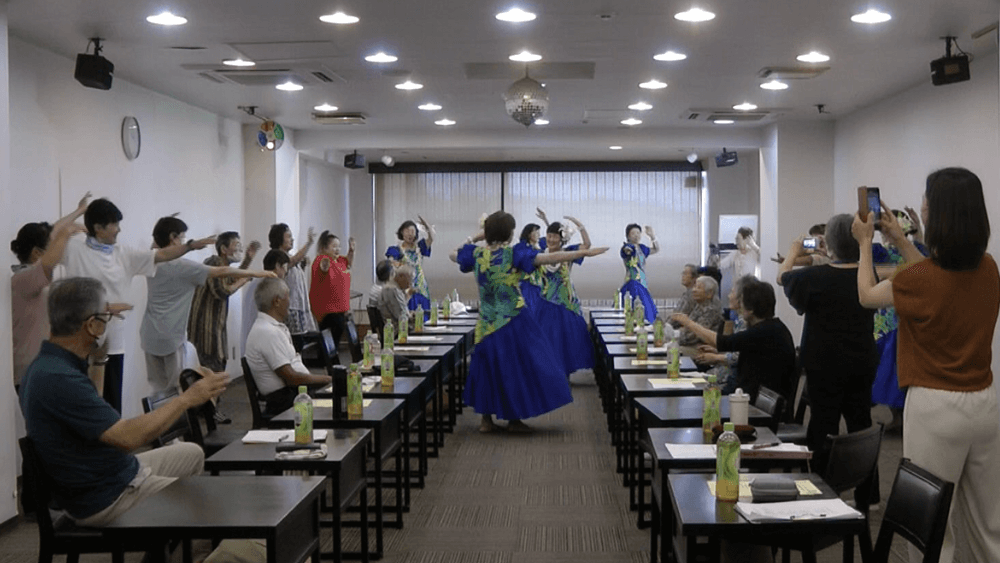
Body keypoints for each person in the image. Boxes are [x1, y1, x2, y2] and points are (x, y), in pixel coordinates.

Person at [853, 168, 1000, 563]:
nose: (921, 206)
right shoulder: (989, 268)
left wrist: (866, 244)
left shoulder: (917, 279)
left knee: (930, 525)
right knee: (987, 525)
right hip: (986, 405)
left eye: (927, 202)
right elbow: (939, 279)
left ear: (939, 216)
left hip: (936, 408)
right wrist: (901, 240)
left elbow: (867, 295)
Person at [19, 277, 228, 526]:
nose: (108, 322)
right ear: (92, 326)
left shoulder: (48, 365)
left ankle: (164, 542)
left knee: (191, 453)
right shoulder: (59, 378)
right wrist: (187, 399)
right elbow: (128, 438)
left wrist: (98, 358)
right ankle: (182, 544)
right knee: (208, 502)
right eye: (105, 315)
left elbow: (97, 414)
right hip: (106, 495)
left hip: (107, 471)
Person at [450, 211, 608, 433]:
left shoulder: (475, 254)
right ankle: (513, 418)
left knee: (488, 366)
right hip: (513, 319)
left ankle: (486, 420)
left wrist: (474, 238)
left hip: (486, 322)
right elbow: (546, 259)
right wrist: (583, 254)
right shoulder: (512, 254)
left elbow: (452, 254)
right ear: (508, 233)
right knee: (516, 367)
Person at [60, 198, 213, 413]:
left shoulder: (123, 253)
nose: (119, 230)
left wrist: (188, 247)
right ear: (98, 227)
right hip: (78, 343)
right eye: (114, 225)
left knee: (111, 407)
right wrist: (78, 212)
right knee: (81, 406)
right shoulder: (74, 247)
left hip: (112, 343)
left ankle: (115, 446)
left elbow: (160, 255)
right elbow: (50, 237)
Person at [777, 213, 876, 475]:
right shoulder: (870, 276)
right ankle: (869, 495)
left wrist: (792, 251)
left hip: (824, 365)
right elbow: (917, 268)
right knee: (862, 427)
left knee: (821, 426)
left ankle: (820, 484)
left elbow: (782, 276)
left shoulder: (812, 277)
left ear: (828, 244)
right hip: (862, 362)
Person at [141, 216, 274, 393]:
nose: (183, 241)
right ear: (173, 238)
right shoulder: (184, 267)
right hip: (172, 335)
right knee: (176, 389)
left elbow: (226, 274)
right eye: (182, 237)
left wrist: (165, 233)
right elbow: (223, 273)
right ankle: (177, 420)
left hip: (149, 334)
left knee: (157, 388)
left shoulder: (151, 261)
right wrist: (257, 273)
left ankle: (160, 419)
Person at [10, 191, 90, 389]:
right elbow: (49, 260)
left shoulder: (29, 277)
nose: (59, 250)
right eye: (52, 246)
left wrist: (79, 211)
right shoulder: (23, 280)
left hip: (44, 366)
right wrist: (67, 232)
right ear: (37, 252)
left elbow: (52, 233)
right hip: (30, 371)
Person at [673, 278, 796, 402]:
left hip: (755, 401)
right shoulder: (773, 327)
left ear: (751, 309)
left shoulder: (762, 332)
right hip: (752, 393)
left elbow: (722, 342)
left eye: (742, 302)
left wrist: (689, 323)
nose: (740, 307)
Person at [245, 278, 332, 417]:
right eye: (288, 296)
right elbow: (292, 378)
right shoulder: (267, 332)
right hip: (285, 403)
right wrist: (328, 380)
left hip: (294, 395)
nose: (290, 302)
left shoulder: (273, 327)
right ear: (277, 301)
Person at [188, 231, 259, 373]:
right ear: (224, 249)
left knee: (216, 373)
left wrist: (247, 260)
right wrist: (244, 278)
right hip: (205, 333)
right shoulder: (214, 263)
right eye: (236, 245)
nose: (240, 248)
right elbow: (222, 291)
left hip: (213, 331)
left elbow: (230, 278)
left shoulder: (221, 265)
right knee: (211, 376)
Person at [539, 218, 596, 374]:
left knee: (566, 339)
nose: (550, 239)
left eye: (554, 236)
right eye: (548, 235)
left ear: (562, 238)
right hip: (546, 302)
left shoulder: (570, 252)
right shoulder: (540, 254)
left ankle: (565, 373)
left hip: (567, 302)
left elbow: (587, 246)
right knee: (548, 339)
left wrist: (580, 225)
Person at [689, 274, 752, 393]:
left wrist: (716, 357)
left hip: (728, 378)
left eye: (732, 292)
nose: (729, 296)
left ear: (742, 298)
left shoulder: (744, 322)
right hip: (723, 372)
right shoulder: (739, 320)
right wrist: (717, 352)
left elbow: (738, 357)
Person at [267, 224, 317, 339]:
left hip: (299, 306)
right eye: (288, 236)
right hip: (290, 308)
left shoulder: (288, 256)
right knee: (294, 342)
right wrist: (308, 243)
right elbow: (292, 261)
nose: (292, 239)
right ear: (279, 239)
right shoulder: (277, 257)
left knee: (302, 342)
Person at [310, 231, 355, 352]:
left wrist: (351, 250)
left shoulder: (339, 260)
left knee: (334, 341)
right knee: (329, 342)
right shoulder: (321, 259)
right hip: (328, 311)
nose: (337, 249)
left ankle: (328, 362)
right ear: (324, 248)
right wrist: (324, 263)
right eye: (334, 246)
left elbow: (349, 263)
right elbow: (323, 267)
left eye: (339, 246)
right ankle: (326, 364)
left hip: (340, 309)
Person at [385, 216, 434, 311]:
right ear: (402, 233)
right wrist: (401, 266)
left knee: (424, 313)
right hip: (406, 286)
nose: (410, 234)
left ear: (416, 234)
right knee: (408, 314)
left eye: (412, 231)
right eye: (407, 231)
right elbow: (390, 262)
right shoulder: (397, 250)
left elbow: (431, 238)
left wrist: (426, 226)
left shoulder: (420, 247)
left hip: (421, 287)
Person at [619, 223, 659, 324]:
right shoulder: (627, 247)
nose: (636, 235)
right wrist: (628, 250)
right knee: (632, 306)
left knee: (646, 307)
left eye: (638, 233)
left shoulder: (642, 248)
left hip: (643, 281)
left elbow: (656, 249)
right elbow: (627, 251)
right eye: (633, 233)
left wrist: (652, 237)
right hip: (632, 282)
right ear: (628, 236)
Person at [676, 276, 724, 347]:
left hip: (702, 349)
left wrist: (676, 337)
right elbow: (687, 329)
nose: (693, 290)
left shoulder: (711, 311)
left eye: (698, 288)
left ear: (709, 293)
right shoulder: (698, 307)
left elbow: (694, 337)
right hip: (691, 346)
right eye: (694, 286)